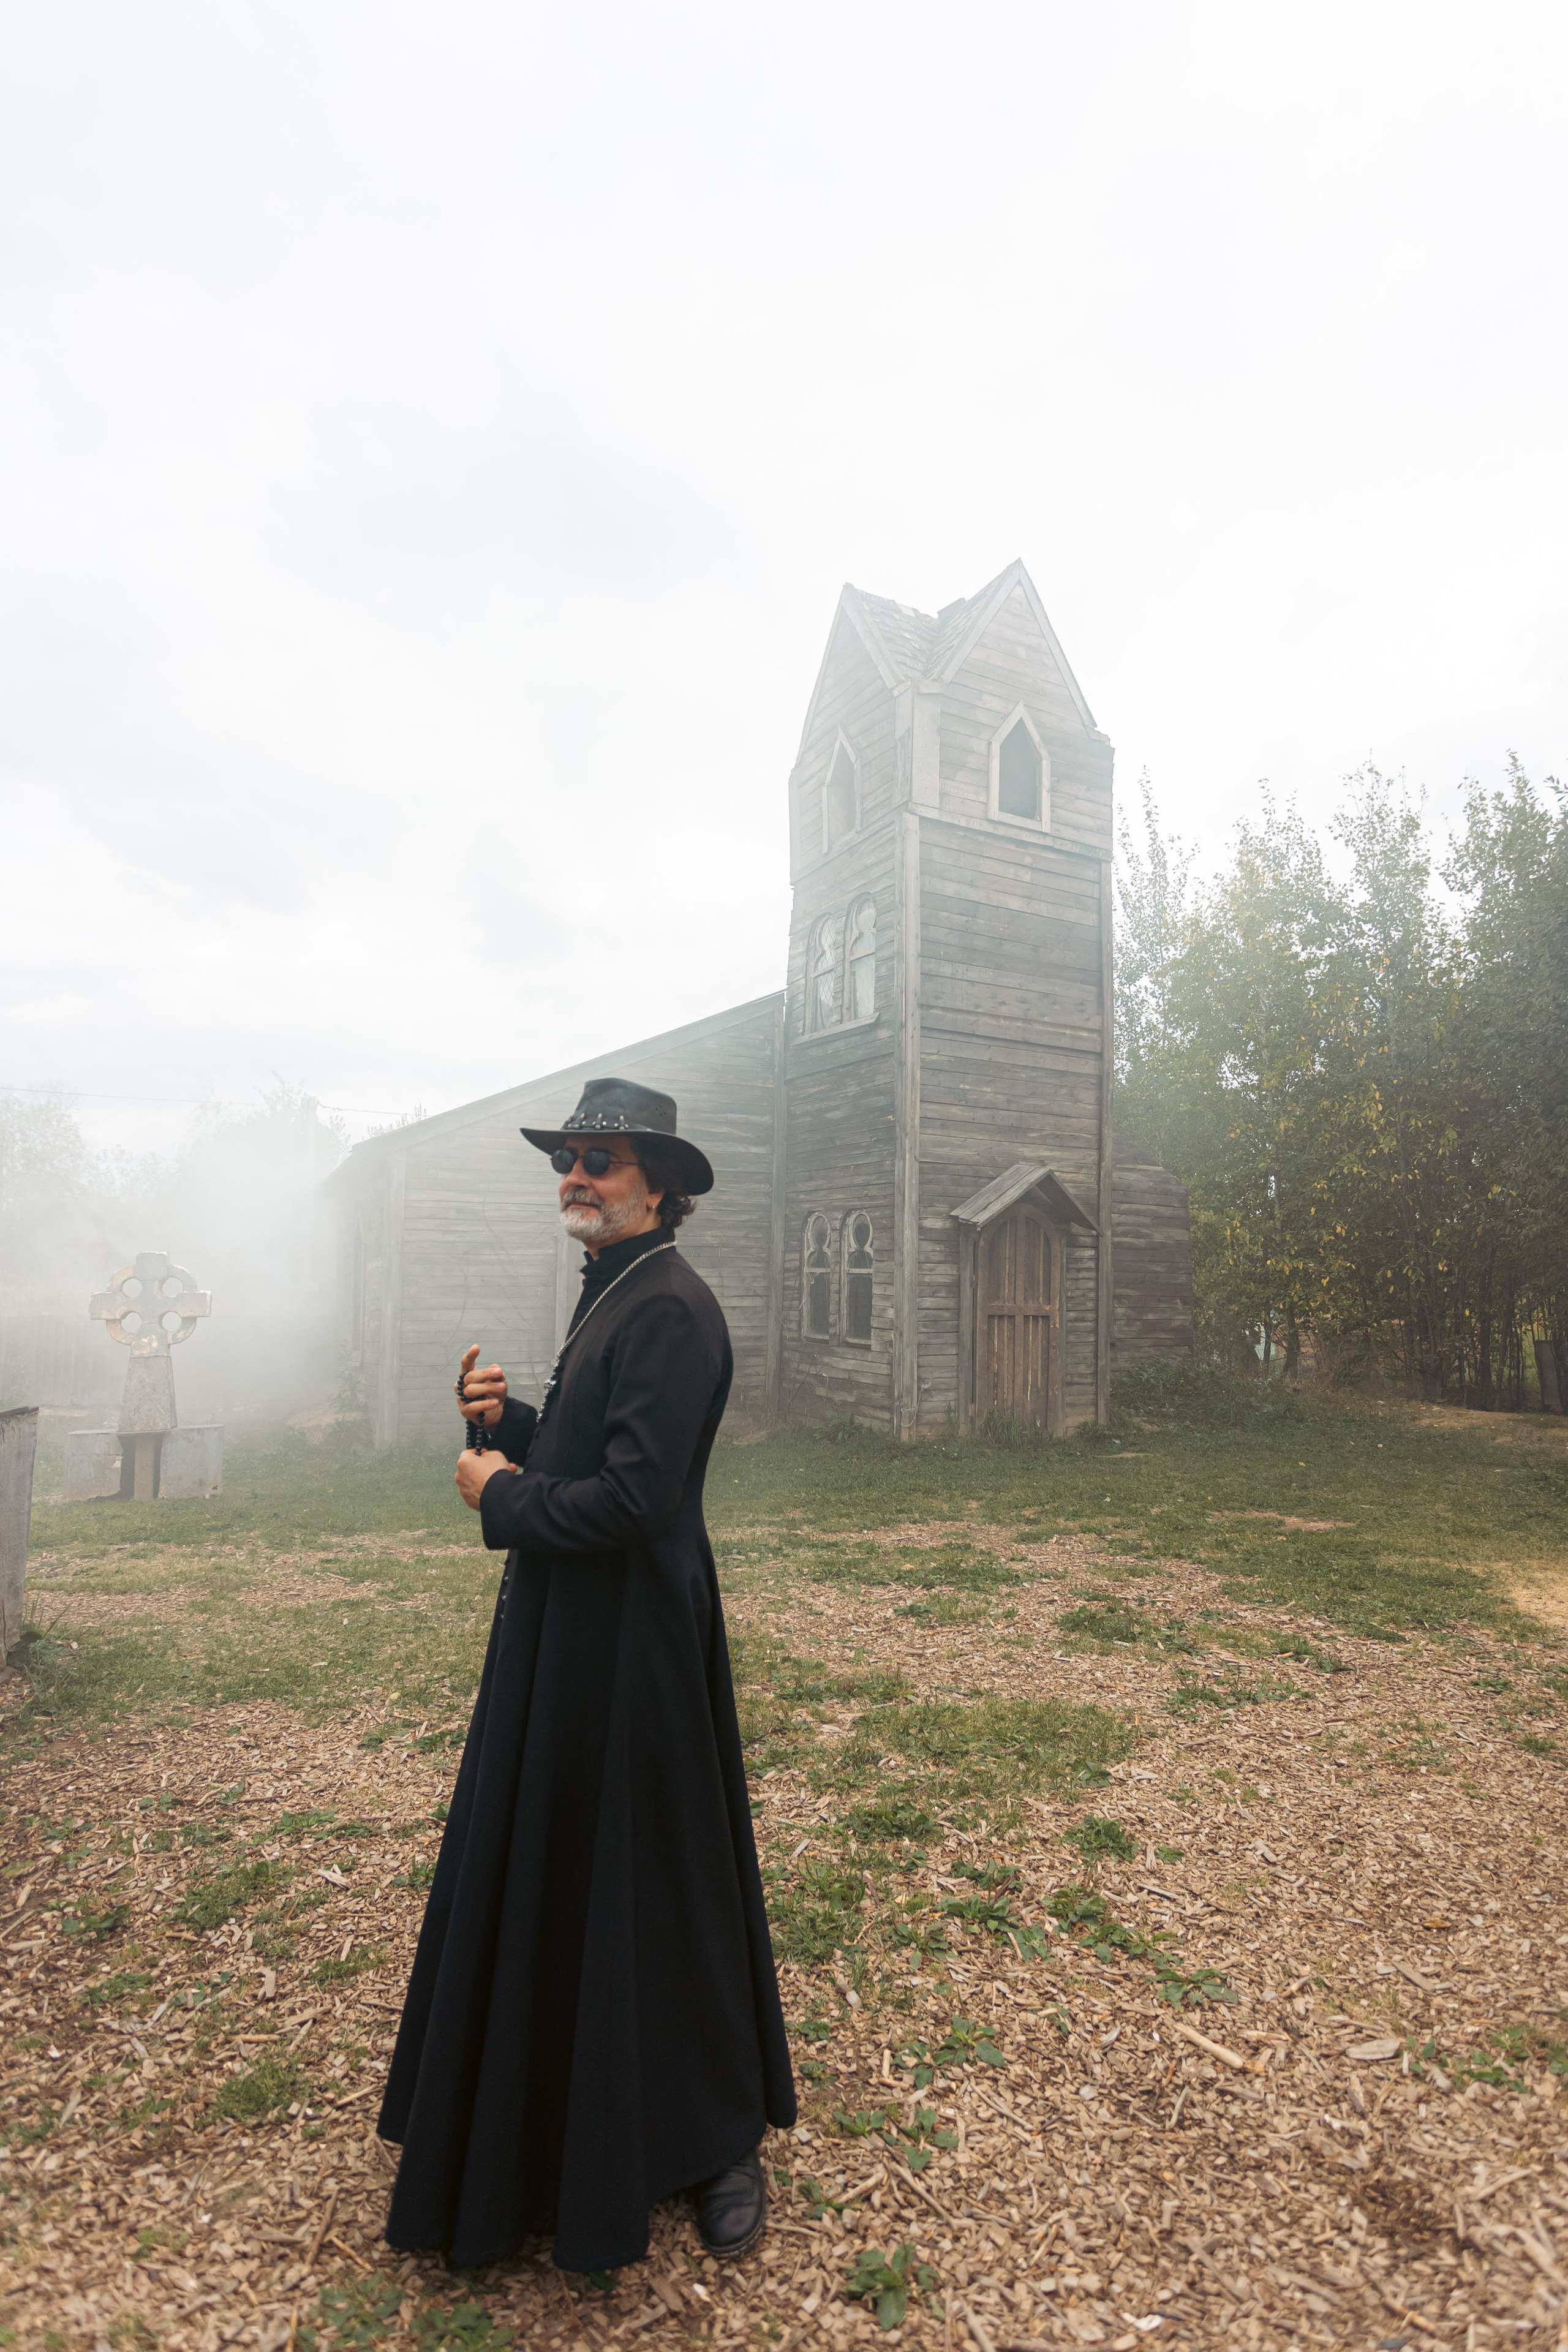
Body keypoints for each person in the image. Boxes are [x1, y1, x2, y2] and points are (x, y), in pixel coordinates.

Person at [377, 1077, 796, 2276]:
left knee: (663, 1879)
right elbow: (596, 1438)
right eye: (567, 1156)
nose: (575, 1174)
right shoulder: (615, 1291)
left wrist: (499, 1494)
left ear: (657, 1186)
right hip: (575, 1639)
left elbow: (634, 1498)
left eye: (600, 1159)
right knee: (578, 1873)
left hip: (635, 1650)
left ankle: (715, 2139)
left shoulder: (668, 1307)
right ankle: (567, 2109)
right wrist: (514, 1424)